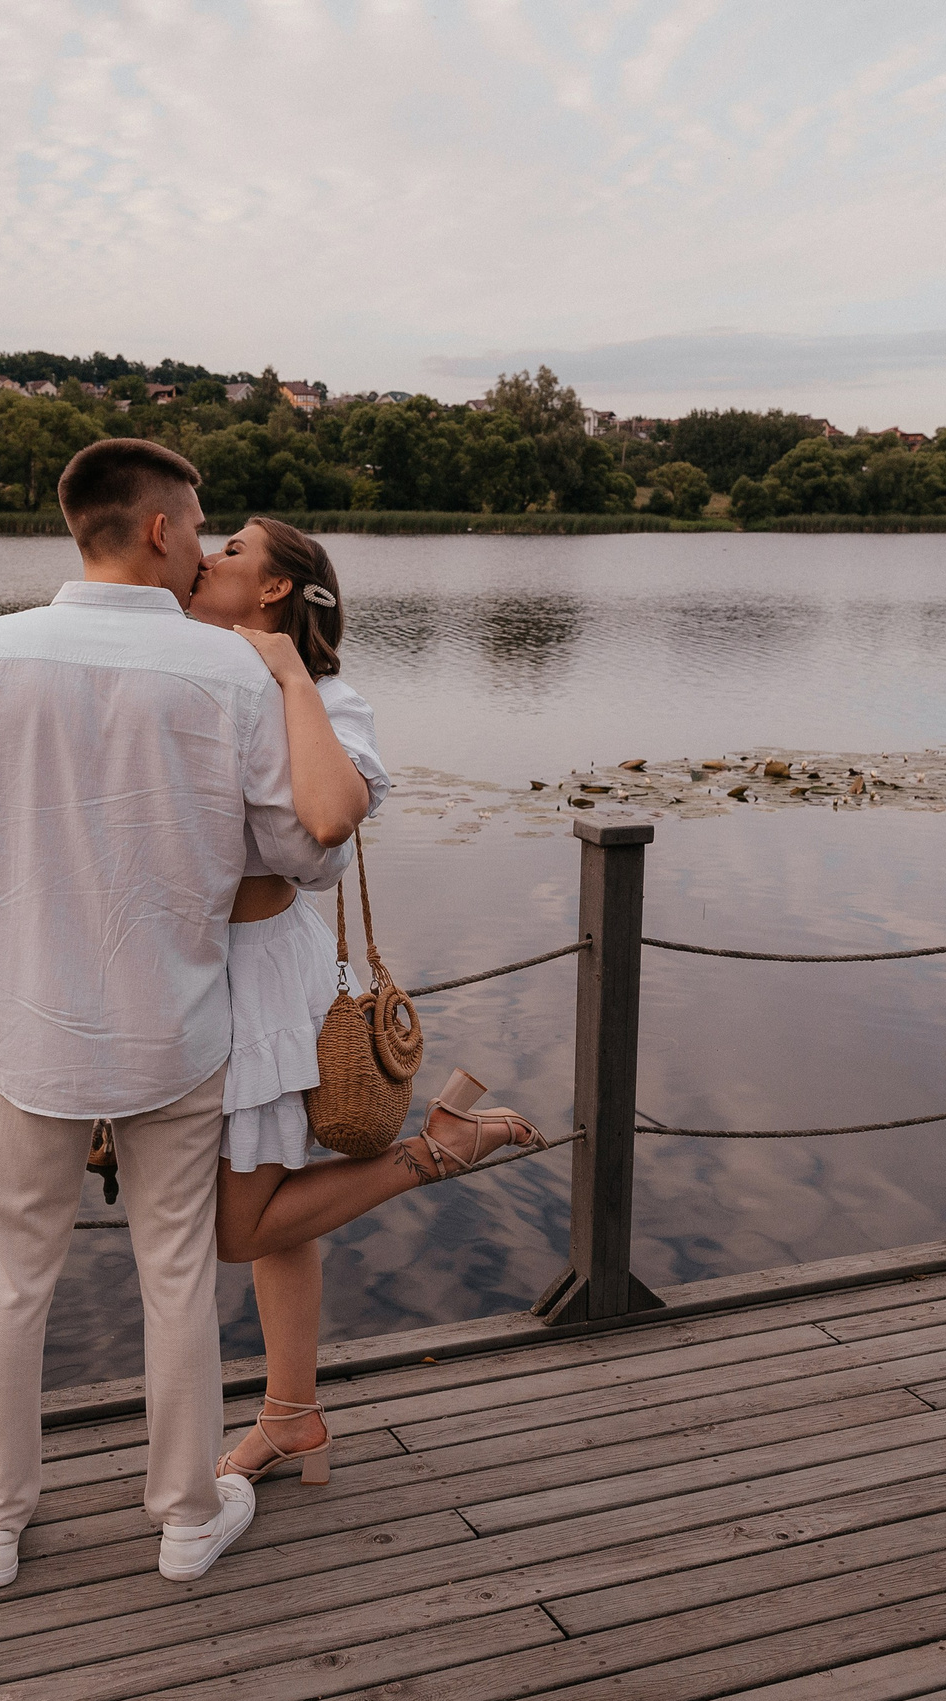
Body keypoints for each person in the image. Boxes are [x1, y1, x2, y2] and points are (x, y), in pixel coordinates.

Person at [0, 441, 351, 1591]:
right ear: (156, 530)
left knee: (11, 1282)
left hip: (33, 1028)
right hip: (175, 1029)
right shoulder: (228, 673)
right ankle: (186, 1519)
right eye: (197, 528)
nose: (202, 549)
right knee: (177, 1278)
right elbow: (300, 850)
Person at [183, 517, 548, 1488]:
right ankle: (292, 1416)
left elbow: (331, 814)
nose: (206, 555)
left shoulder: (330, 698)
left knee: (237, 1224)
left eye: (229, 551)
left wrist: (290, 676)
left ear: (273, 592)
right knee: (279, 1211)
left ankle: (432, 1150)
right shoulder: (186, 666)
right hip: (201, 973)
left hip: (263, 980)